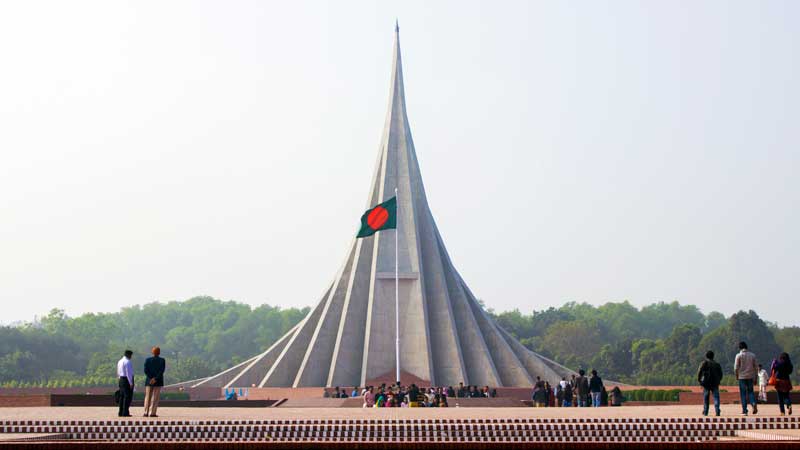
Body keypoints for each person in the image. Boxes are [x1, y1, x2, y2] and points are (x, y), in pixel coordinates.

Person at [734, 341, 759, 415]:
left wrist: (736, 376)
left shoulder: (738, 355)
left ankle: (744, 410)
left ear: (740, 348)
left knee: (743, 394)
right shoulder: (752, 355)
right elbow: (756, 367)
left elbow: (736, 367)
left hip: (742, 377)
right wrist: (756, 378)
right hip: (750, 376)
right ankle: (753, 403)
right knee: (750, 392)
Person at [697, 350, 723, 416]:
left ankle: (705, 411)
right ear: (713, 356)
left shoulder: (704, 363)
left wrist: (699, 380)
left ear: (706, 356)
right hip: (715, 383)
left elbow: (699, 372)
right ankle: (717, 410)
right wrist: (718, 380)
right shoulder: (717, 364)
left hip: (706, 382)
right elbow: (720, 374)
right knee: (716, 397)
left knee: (706, 397)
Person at [143, 346, 166, 418]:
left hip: (149, 381)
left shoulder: (148, 360)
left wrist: (151, 378)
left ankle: (146, 412)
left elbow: (146, 370)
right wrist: (155, 378)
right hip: (158, 381)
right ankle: (152, 412)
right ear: (159, 352)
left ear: (152, 352)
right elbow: (161, 371)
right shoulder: (162, 360)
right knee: (155, 397)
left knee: (148, 397)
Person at [116, 350, 134, 417]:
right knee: (127, 397)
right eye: (131, 355)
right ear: (129, 355)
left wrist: (119, 379)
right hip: (126, 380)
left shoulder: (120, 361)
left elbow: (118, 372)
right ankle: (125, 412)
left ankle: (120, 412)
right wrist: (131, 383)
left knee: (122, 396)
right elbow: (128, 373)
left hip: (121, 379)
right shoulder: (127, 362)